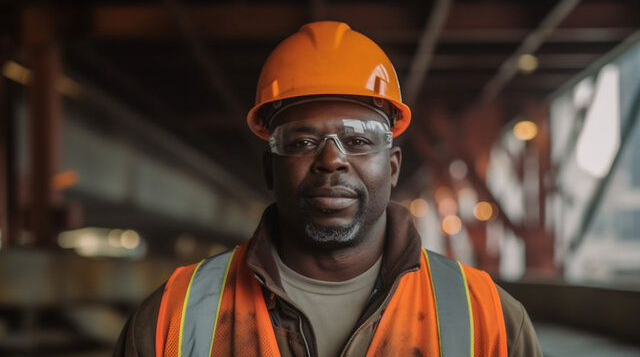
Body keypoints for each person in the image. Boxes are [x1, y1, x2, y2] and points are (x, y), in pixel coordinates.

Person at [114, 21, 542, 357]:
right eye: (301, 142)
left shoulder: (488, 318)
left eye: (357, 141)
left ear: (392, 167)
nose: (331, 160)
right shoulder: (173, 316)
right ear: (270, 168)